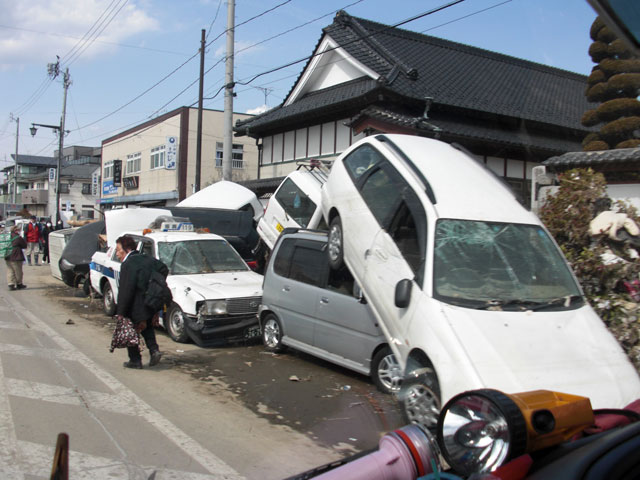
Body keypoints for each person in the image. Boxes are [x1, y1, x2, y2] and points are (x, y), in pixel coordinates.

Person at [114, 235, 164, 369]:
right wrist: (152, 287)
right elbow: (163, 269)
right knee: (147, 327)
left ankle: (135, 360)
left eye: (118, 249)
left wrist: (121, 312)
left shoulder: (128, 264)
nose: (117, 253)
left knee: (131, 331)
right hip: (149, 302)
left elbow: (126, 290)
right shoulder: (147, 259)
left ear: (126, 249)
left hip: (135, 305)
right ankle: (154, 350)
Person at [5, 225, 27, 290]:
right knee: (18, 271)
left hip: (7, 256)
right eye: (18, 230)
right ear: (15, 230)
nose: (19, 231)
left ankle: (10, 284)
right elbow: (24, 245)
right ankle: (19, 283)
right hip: (16, 256)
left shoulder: (7, 237)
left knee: (10, 270)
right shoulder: (18, 237)